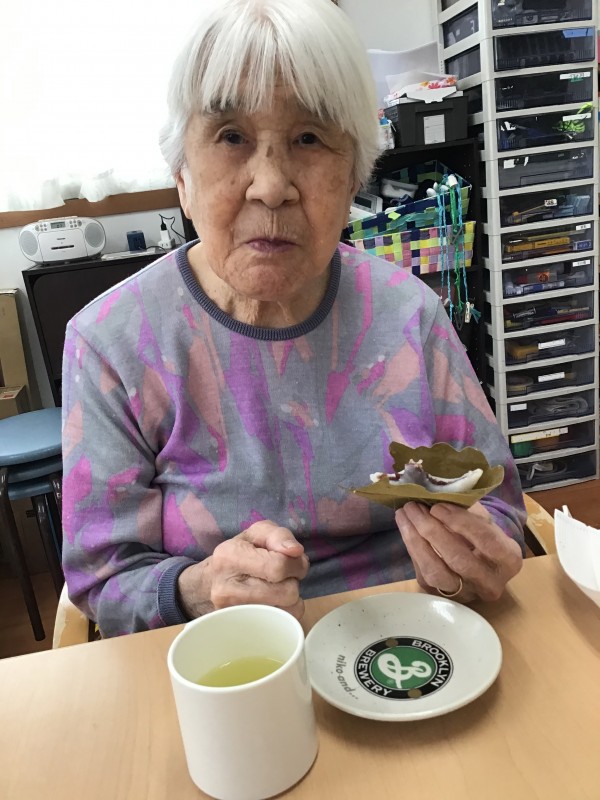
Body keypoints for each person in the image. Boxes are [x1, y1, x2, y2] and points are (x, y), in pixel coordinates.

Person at [61, 0, 525, 638]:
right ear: (182, 177)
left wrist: (478, 554)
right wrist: (199, 588)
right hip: (229, 657)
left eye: (309, 138)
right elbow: (102, 577)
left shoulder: (408, 312)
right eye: (231, 137)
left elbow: (498, 503)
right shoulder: (111, 342)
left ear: (354, 174)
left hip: (415, 642)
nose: (271, 185)